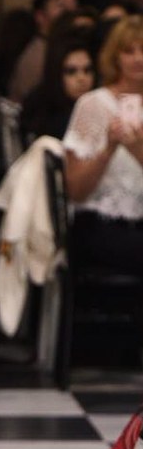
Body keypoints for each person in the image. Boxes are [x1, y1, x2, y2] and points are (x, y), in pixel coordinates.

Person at [63, 15, 143, 276]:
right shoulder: (92, 105)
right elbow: (76, 190)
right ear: (115, 56)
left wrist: (137, 149)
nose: (138, 59)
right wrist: (109, 148)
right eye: (129, 51)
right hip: (100, 224)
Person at [20, 32, 95, 143]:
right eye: (71, 71)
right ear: (56, 74)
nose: (81, 78)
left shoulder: (96, 106)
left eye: (87, 70)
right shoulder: (41, 113)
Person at [8, 0, 79, 102]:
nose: (70, 14)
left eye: (74, 8)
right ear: (40, 16)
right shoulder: (38, 56)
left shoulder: (65, 48)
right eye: (62, 6)